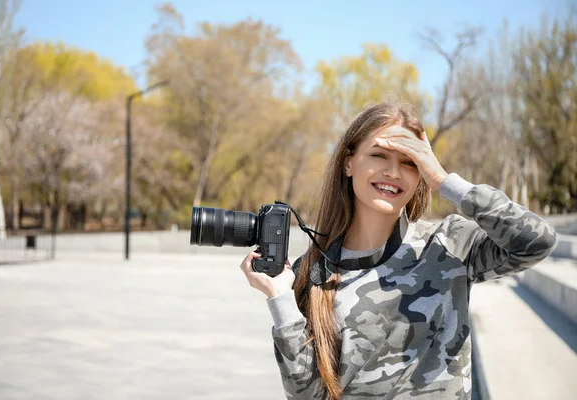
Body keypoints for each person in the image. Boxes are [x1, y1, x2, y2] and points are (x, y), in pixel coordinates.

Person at [239, 100, 558, 400]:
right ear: (348, 163)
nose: (393, 171)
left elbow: (537, 242)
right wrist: (280, 298)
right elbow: (308, 394)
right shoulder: (312, 271)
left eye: (409, 162)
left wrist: (444, 180)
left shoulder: (450, 244)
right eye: (379, 155)